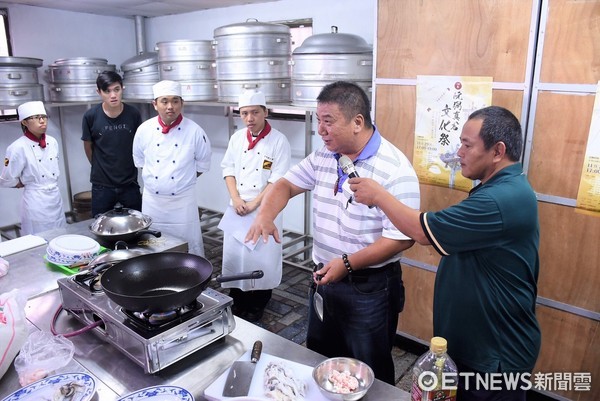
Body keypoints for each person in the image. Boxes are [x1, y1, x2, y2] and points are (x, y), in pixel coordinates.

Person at [349, 106, 541, 400]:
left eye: (467, 144)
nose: (459, 152)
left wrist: (378, 196)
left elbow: (422, 231)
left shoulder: (502, 199)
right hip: (476, 347)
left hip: (494, 356)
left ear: (498, 151)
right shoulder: (501, 188)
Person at [245, 81, 420, 384]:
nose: (321, 130)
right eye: (318, 120)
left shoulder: (395, 169)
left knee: (369, 367)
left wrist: (347, 263)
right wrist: (265, 215)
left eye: (328, 122)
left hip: (369, 287)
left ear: (357, 122)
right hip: (325, 278)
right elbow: (285, 184)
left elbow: (400, 238)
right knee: (321, 357)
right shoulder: (325, 155)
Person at [219, 89, 291, 322]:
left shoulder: (279, 140)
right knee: (235, 257)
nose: (249, 118)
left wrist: (254, 204)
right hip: (238, 207)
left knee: (261, 258)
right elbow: (227, 170)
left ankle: (258, 303)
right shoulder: (236, 138)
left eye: (254, 113)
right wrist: (237, 199)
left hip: (264, 209)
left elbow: (277, 180)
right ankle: (237, 299)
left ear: (265, 112)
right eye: (244, 113)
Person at [133, 80, 212, 257]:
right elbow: (141, 162)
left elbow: (201, 165)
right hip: (153, 202)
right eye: (164, 101)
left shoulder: (195, 131)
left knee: (187, 247)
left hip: (182, 203)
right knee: (153, 244)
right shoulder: (144, 130)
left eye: (175, 101)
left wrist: (179, 182)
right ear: (155, 104)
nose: (170, 106)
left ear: (182, 103)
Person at [82, 70, 143, 217]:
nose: (113, 95)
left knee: (137, 225)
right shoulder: (91, 116)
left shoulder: (133, 114)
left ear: (123, 88)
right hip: (102, 185)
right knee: (100, 225)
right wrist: (101, 167)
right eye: (107, 91)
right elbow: (88, 147)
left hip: (129, 183)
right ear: (99, 92)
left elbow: (139, 144)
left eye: (117, 89)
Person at [0, 101, 66, 234]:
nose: (42, 121)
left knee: (60, 237)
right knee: (38, 239)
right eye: (36, 118)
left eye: (44, 116)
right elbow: (7, 178)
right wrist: (21, 183)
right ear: (24, 122)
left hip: (55, 198)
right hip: (35, 202)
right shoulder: (17, 147)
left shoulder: (52, 142)